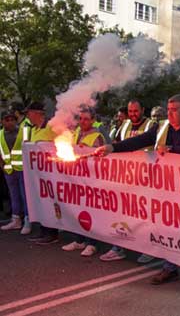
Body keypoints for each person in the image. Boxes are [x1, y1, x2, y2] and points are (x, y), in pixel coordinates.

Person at [94, 93, 180, 286]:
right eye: (169, 110)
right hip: (164, 188)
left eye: (175, 110)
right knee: (166, 228)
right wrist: (113, 148)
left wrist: (172, 151)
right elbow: (139, 141)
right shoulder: (162, 127)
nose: (170, 114)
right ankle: (169, 267)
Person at [101, 100, 154, 262]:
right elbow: (116, 144)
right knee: (123, 212)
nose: (133, 114)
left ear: (143, 110)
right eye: (130, 111)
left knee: (147, 215)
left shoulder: (152, 125)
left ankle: (149, 249)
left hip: (147, 177)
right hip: (126, 176)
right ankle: (119, 247)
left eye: (136, 111)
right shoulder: (123, 125)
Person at [61, 107, 105, 256]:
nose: (82, 121)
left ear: (93, 120)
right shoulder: (76, 134)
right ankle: (79, 240)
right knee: (78, 210)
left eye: (86, 119)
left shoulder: (97, 136)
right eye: (80, 118)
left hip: (90, 180)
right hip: (76, 178)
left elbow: (99, 160)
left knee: (91, 212)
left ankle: (92, 243)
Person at [25, 101, 59, 244]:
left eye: (29, 112)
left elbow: (58, 144)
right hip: (37, 175)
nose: (28, 115)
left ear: (37, 113)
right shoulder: (33, 129)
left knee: (50, 203)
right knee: (40, 203)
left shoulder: (51, 127)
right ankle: (43, 230)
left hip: (50, 174)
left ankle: (52, 233)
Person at [0, 110, 31, 234]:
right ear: (2, 122)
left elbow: (30, 147)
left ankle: (28, 220)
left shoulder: (24, 132)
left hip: (22, 169)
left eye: (12, 119)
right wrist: (2, 165)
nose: (10, 122)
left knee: (25, 195)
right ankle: (16, 219)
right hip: (9, 170)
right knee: (14, 195)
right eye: (7, 120)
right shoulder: (0, 134)